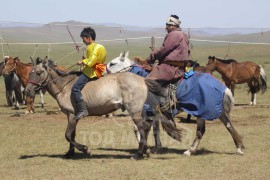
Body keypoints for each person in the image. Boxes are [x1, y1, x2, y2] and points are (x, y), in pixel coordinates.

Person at [143, 15, 189, 111]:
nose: (166, 28)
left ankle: (165, 97)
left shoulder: (174, 34)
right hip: (179, 67)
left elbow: (164, 50)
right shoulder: (184, 35)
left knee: (148, 80)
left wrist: (150, 58)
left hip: (170, 67)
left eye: (167, 25)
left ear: (172, 25)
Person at [71, 27, 107, 120]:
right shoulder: (100, 47)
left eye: (83, 39)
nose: (83, 41)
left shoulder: (94, 47)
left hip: (91, 72)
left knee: (75, 88)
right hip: (97, 70)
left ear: (89, 38)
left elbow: (91, 61)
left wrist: (82, 62)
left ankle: (82, 110)